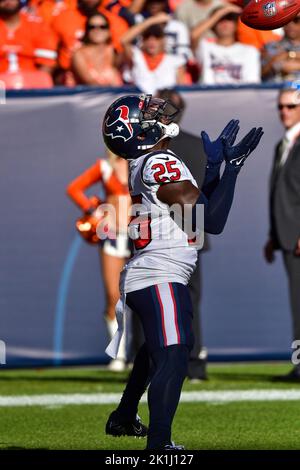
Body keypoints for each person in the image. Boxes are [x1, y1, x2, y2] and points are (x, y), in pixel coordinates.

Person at [102, 93, 263, 449]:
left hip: (153, 271)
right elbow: (211, 220)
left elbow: (195, 210)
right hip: (160, 272)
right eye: (147, 113)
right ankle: (159, 447)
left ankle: (125, 417)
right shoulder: (159, 160)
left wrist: (214, 170)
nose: (157, 112)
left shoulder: (148, 161)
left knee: (159, 348)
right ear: (137, 131)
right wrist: (233, 169)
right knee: (175, 354)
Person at [156, 88, 209, 380]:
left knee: (151, 296)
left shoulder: (148, 148)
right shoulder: (197, 146)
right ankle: (194, 362)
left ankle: (155, 362)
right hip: (191, 230)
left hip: (159, 232)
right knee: (188, 300)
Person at [67, 151, 131, 371]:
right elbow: (74, 188)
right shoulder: (104, 167)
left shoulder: (140, 162)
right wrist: (93, 211)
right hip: (112, 236)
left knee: (141, 295)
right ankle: (119, 355)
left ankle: (142, 351)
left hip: (137, 236)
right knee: (114, 296)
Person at [264, 87, 300, 382]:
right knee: (297, 302)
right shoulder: (283, 144)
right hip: (287, 236)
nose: (284, 112)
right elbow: (280, 193)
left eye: (290, 106)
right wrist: (273, 235)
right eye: (281, 107)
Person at [193, 6, 261, 85]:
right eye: (220, 20)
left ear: (236, 25)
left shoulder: (250, 51)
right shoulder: (205, 47)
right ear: (213, 25)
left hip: (240, 96)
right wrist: (221, 12)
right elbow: (194, 35)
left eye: (229, 19)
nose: (224, 23)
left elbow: (252, 84)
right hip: (209, 95)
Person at [120, 13, 186, 93]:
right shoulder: (136, 57)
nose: (151, 41)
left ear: (163, 40)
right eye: (147, 37)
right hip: (139, 104)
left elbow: (182, 92)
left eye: (157, 37)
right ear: (143, 41)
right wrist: (152, 21)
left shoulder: (176, 62)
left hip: (166, 104)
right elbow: (124, 41)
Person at [0, 0, 57, 75]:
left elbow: (47, 63)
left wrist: (36, 83)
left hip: (32, 81)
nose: (8, 1)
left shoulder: (38, 25)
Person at [72, 12, 122, 86]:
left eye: (103, 27)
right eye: (92, 27)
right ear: (87, 31)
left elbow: (126, 42)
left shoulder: (113, 52)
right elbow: (89, 82)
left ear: (109, 31)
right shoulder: (79, 54)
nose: (97, 30)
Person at [262, 14, 300, 82]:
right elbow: (259, 73)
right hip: (274, 89)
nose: (290, 25)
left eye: (296, 20)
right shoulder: (270, 46)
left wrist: (289, 56)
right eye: (286, 21)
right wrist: (274, 61)